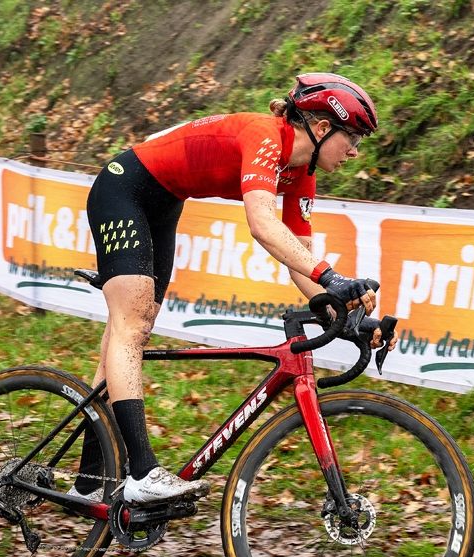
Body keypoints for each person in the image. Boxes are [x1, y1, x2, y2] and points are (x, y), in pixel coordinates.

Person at [71, 73, 398, 506]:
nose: (354, 151)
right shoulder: (266, 136)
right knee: (132, 328)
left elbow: (298, 257)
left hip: (164, 202)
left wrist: (346, 315)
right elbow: (262, 224)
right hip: (123, 189)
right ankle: (141, 474)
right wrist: (331, 277)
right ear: (322, 128)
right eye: (352, 138)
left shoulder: (301, 173)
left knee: (127, 336)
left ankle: (87, 484)